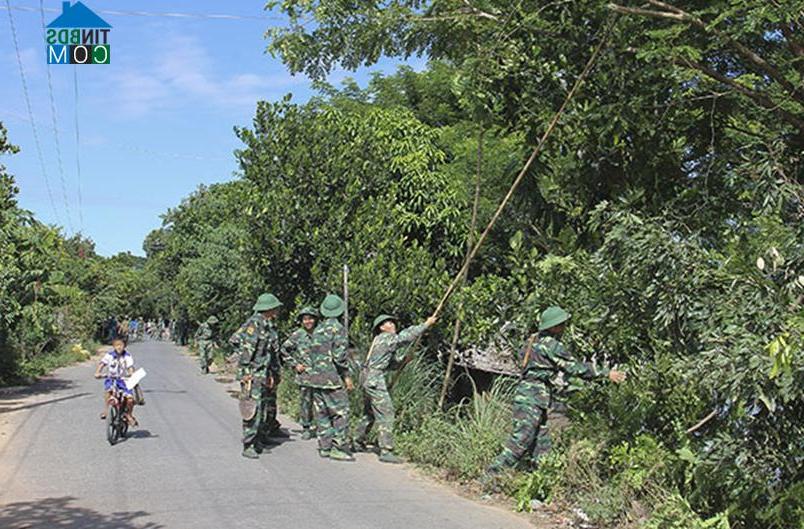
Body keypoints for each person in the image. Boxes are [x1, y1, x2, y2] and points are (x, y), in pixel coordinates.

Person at [483, 306, 627, 485]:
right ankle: (490, 476)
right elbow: (574, 367)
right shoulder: (552, 345)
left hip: (533, 395)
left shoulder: (532, 340)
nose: (564, 327)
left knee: (542, 444)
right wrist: (606, 373)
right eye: (562, 324)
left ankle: (537, 483)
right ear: (554, 326)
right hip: (532, 396)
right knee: (522, 440)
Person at [353, 313, 437, 463]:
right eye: (388, 323)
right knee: (387, 413)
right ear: (381, 328)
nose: (392, 325)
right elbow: (405, 337)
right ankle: (386, 450)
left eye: (392, 322)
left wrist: (403, 361)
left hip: (367, 379)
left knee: (370, 413)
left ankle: (357, 441)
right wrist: (426, 324)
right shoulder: (386, 338)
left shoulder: (380, 341)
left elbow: (389, 364)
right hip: (374, 380)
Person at [229, 293, 283, 459]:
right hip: (252, 374)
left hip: (262, 372)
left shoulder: (266, 324)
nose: (277, 310)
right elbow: (246, 349)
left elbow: (268, 353)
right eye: (275, 307)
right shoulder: (254, 324)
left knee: (261, 408)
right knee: (251, 409)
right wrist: (245, 372)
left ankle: (257, 440)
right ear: (269, 308)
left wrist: (270, 374)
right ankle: (248, 444)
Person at [308, 294, 355, 461]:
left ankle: (325, 446)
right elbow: (339, 357)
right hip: (332, 378)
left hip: (316, 378)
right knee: (340, 412)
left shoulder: (317, 330)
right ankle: (338, 447)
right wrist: (347, 375)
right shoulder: (338, 329)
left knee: (322, 413)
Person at [280, 306, 319, 440]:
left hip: (321, 374)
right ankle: (306, 427)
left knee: (321, 402)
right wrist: (295, 364)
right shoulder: (298, 335)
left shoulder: (321, 333)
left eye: (310, 319)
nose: (308, 322)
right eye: (305, 319)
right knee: (306, 401)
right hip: (305, 375)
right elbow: (284, 349)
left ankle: (322, 428)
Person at [94, 338, 138, 426]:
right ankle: (106, 411)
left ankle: (129, 414)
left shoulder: (127, 356)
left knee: (130, 399)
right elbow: (102, 364)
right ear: (114, 346)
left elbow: (130, 367)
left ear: (124, 346)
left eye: (121, 345)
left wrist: (131, 373)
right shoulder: (109, 355)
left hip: (123, 380)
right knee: (108, 391)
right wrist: (98, 372)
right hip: (112, 379)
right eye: (117, 345)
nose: (119, 347)